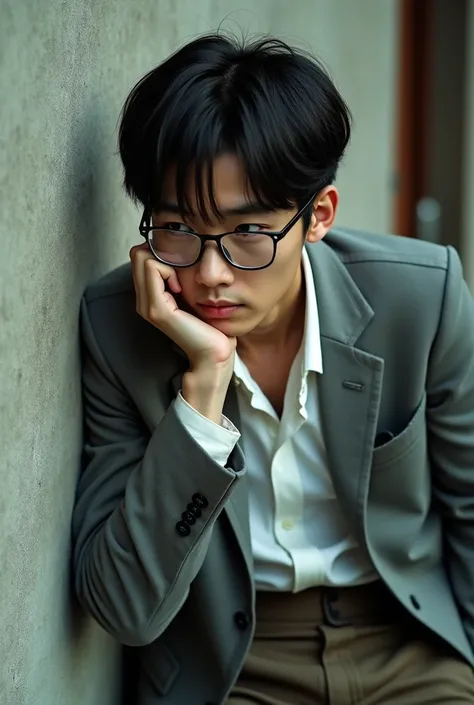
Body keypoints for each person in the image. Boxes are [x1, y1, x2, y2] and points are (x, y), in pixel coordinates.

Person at [72, 32, 474, 705]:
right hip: (232, 663)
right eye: (176, 228)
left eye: (248, 232)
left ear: (318, 215)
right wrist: (200, 396)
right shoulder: (120, 330)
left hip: (409, 640)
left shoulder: (420, 299)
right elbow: (123, 605)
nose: (209, 274)